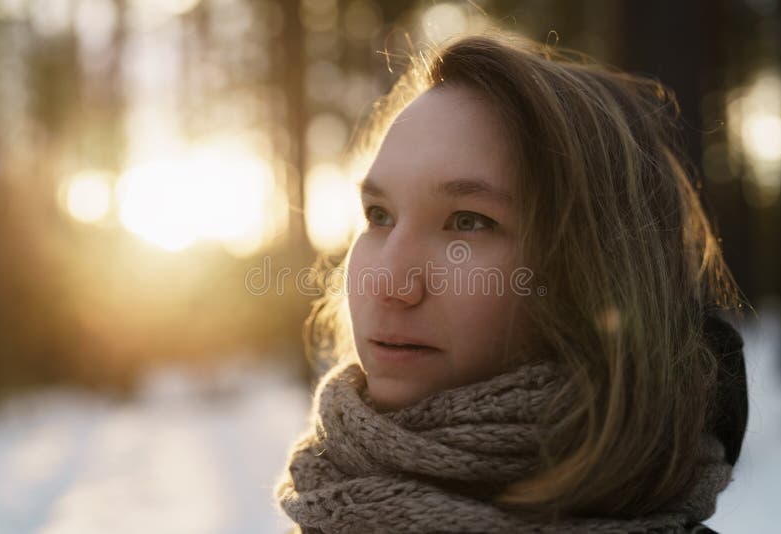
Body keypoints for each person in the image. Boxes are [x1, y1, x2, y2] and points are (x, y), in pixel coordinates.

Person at [274, 30, 750, 533]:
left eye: (469, 221)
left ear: (600, 269)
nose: (389, 282)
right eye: (378, 214)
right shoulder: (321, 506)